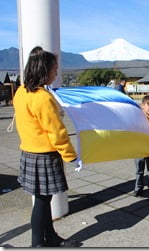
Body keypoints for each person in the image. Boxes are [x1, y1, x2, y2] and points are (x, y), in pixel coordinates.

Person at [13, 46, 81, 247]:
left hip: (29, 152)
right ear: (44, 70)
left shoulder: (21, 92)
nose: (56, 73)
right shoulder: (43, 98)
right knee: (42, 203)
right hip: (45, 155)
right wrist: (71, 156)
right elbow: (57, 132)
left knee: (43, 200)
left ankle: (50, 237)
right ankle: (37, 244)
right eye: (54, 69)